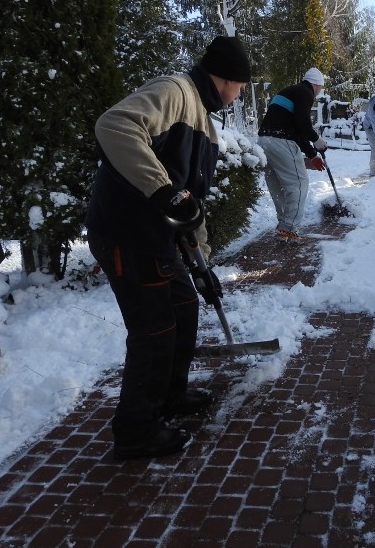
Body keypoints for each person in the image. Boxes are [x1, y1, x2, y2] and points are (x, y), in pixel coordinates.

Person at [85, 35, 251, 460]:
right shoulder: (176, 92)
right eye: (242, 85)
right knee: (153, 330)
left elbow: (190, 205)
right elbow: (114, 125)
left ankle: (169, 397)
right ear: (227, 78)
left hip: (154, 238)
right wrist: (163, 192)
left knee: (183, 307)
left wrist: (202, 266)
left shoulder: (205, 127)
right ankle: (136, 430)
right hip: (127, 233)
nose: (241, 94)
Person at [256, 68, 327, 240]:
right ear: (316, 85)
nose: (318, 93)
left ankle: (284, 225)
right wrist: (317, 140)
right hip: (281, 141)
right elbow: (304, 125)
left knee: (278, 185)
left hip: (264, 141)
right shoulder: (305, 92)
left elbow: (297, 130)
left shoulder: (289, 91)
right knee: (299, 183)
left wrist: (312, 155)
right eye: (320, 88)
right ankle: (288, 227)